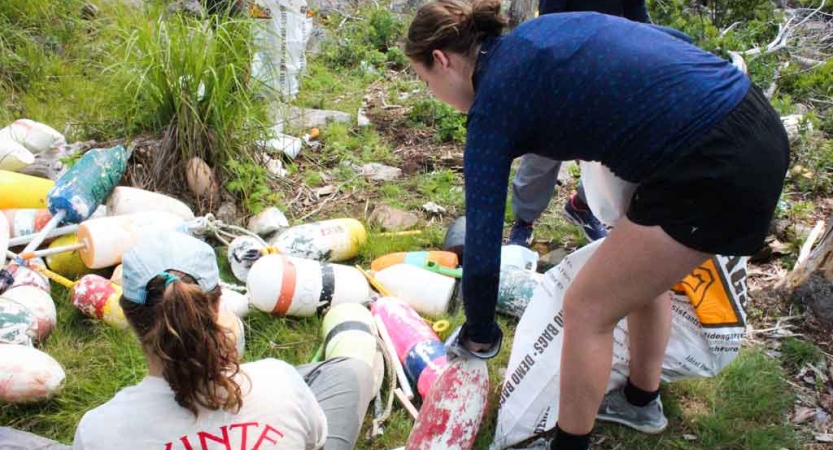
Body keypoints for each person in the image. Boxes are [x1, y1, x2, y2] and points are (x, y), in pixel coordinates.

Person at [406, 2, 789, 449]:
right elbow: (669, 39)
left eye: (424, 80)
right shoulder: (539, 35)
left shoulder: (493, 106)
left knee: (587, 307)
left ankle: (569, 445)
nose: (431, 90)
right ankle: (640, 402)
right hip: (749, 114)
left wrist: (480, 333)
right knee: (640, 277)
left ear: (442, 60)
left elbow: (484, 239)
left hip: (714, 163)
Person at [68, 231, 373, 450]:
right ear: (216, 305)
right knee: (350, 372)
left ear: (129, 316)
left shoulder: (99, 432)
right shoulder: (280, 382)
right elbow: (315, 443)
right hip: (281, 398)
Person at [509, 0, 653, 246]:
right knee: (544, 151)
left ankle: (582, 206)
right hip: (562, 71)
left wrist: (661, 46)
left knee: (611, 155)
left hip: (612, 70)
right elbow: (551, 26)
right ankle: (524, 220)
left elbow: (638, 18)